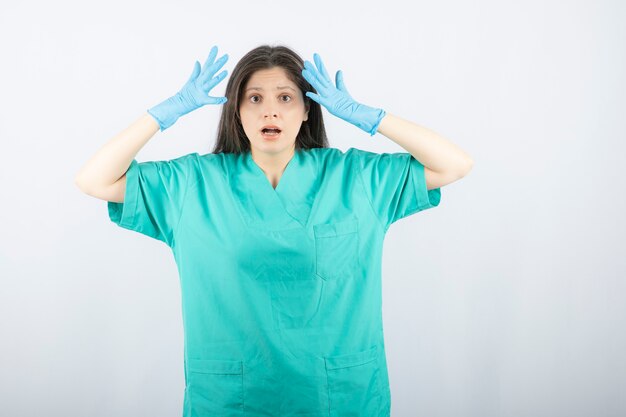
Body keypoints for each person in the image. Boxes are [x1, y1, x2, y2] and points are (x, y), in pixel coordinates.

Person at [75, 44, 473, 417]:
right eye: (254, 98)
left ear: (306, 110)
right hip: (233, 398)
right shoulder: (193, 184)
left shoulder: (356, 177)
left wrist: (372, 118)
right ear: (236, 112)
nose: (270, 112)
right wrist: (163, 114)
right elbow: (95, 180)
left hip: (337, 395)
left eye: (285, 98)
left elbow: (453, 165)